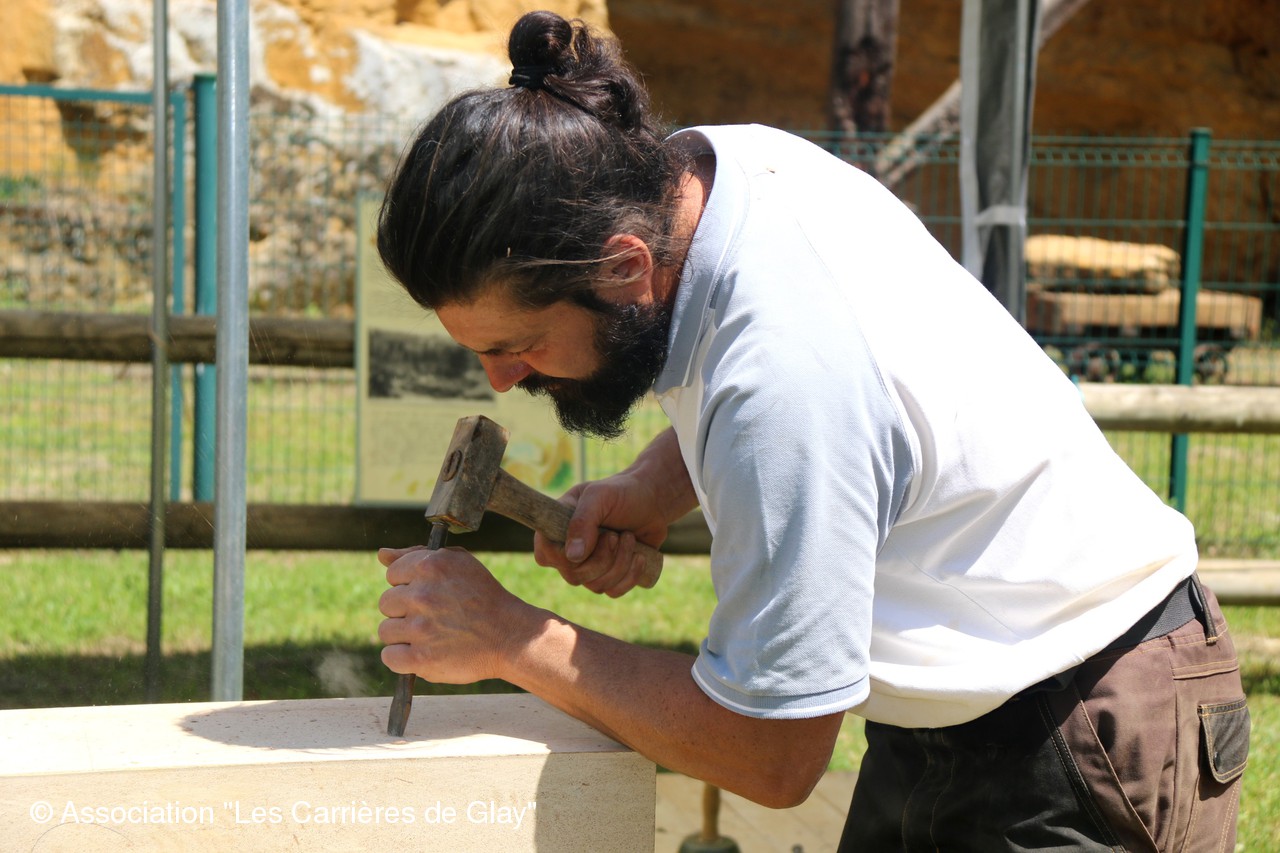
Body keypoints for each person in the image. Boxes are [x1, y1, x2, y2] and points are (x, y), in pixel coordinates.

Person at [374, 11, 1250, 850]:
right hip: (953, 710)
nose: (500, 380)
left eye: (517, 344)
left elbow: (770, 750)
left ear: (624, 266)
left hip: (1085, 721)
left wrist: (511, 637)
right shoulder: (709, 175)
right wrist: (651, 487)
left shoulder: (784, 376)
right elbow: (814, 398)